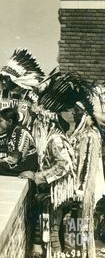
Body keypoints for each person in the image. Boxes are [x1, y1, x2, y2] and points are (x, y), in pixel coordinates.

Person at [20, 106, 75, 258]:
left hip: (57, 194)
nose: (36, 128)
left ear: (47, 123)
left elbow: (64, 165)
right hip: (53, 193)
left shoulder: (55, 139)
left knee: (52, 233)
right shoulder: (52, 137)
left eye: (39, 124)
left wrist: (38, 175)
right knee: (51, 232)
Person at [68, 102, 105, 258]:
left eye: (77, 112)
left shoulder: (91, 136)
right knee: (76, 220)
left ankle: (83, 253)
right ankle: (77, 251)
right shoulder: (82, 133)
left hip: (86, 186)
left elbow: (89, 165)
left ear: (87, 115)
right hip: (79, 185)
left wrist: (82, 187)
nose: (73, 115)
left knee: (84, 221)